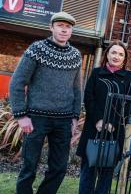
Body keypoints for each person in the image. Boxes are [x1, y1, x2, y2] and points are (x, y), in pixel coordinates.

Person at [9, 12, 81, 194]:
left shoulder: (75, 55)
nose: (64, 30)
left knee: (59, 168)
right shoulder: (37, 49)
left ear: (71, 30)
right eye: (60, 26)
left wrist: (74, 118)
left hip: (64, 121)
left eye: (68, 27)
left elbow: (77, 90)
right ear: (51, 27)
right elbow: (17, 82)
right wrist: (21, 115)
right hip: (36, 119)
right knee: (29, 167)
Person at [76, 40, 131, 194]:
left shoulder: (129, 77)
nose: (117, 56)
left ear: (125, 58)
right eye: (113, 52)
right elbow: (89, 98)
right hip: (93, 128)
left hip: (115, 131)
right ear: (107, 54)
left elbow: (129, 104)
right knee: (88, 171)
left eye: (121, 54)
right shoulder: (97, 73)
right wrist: (99, 120)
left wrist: (113, 123)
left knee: (106, 174)